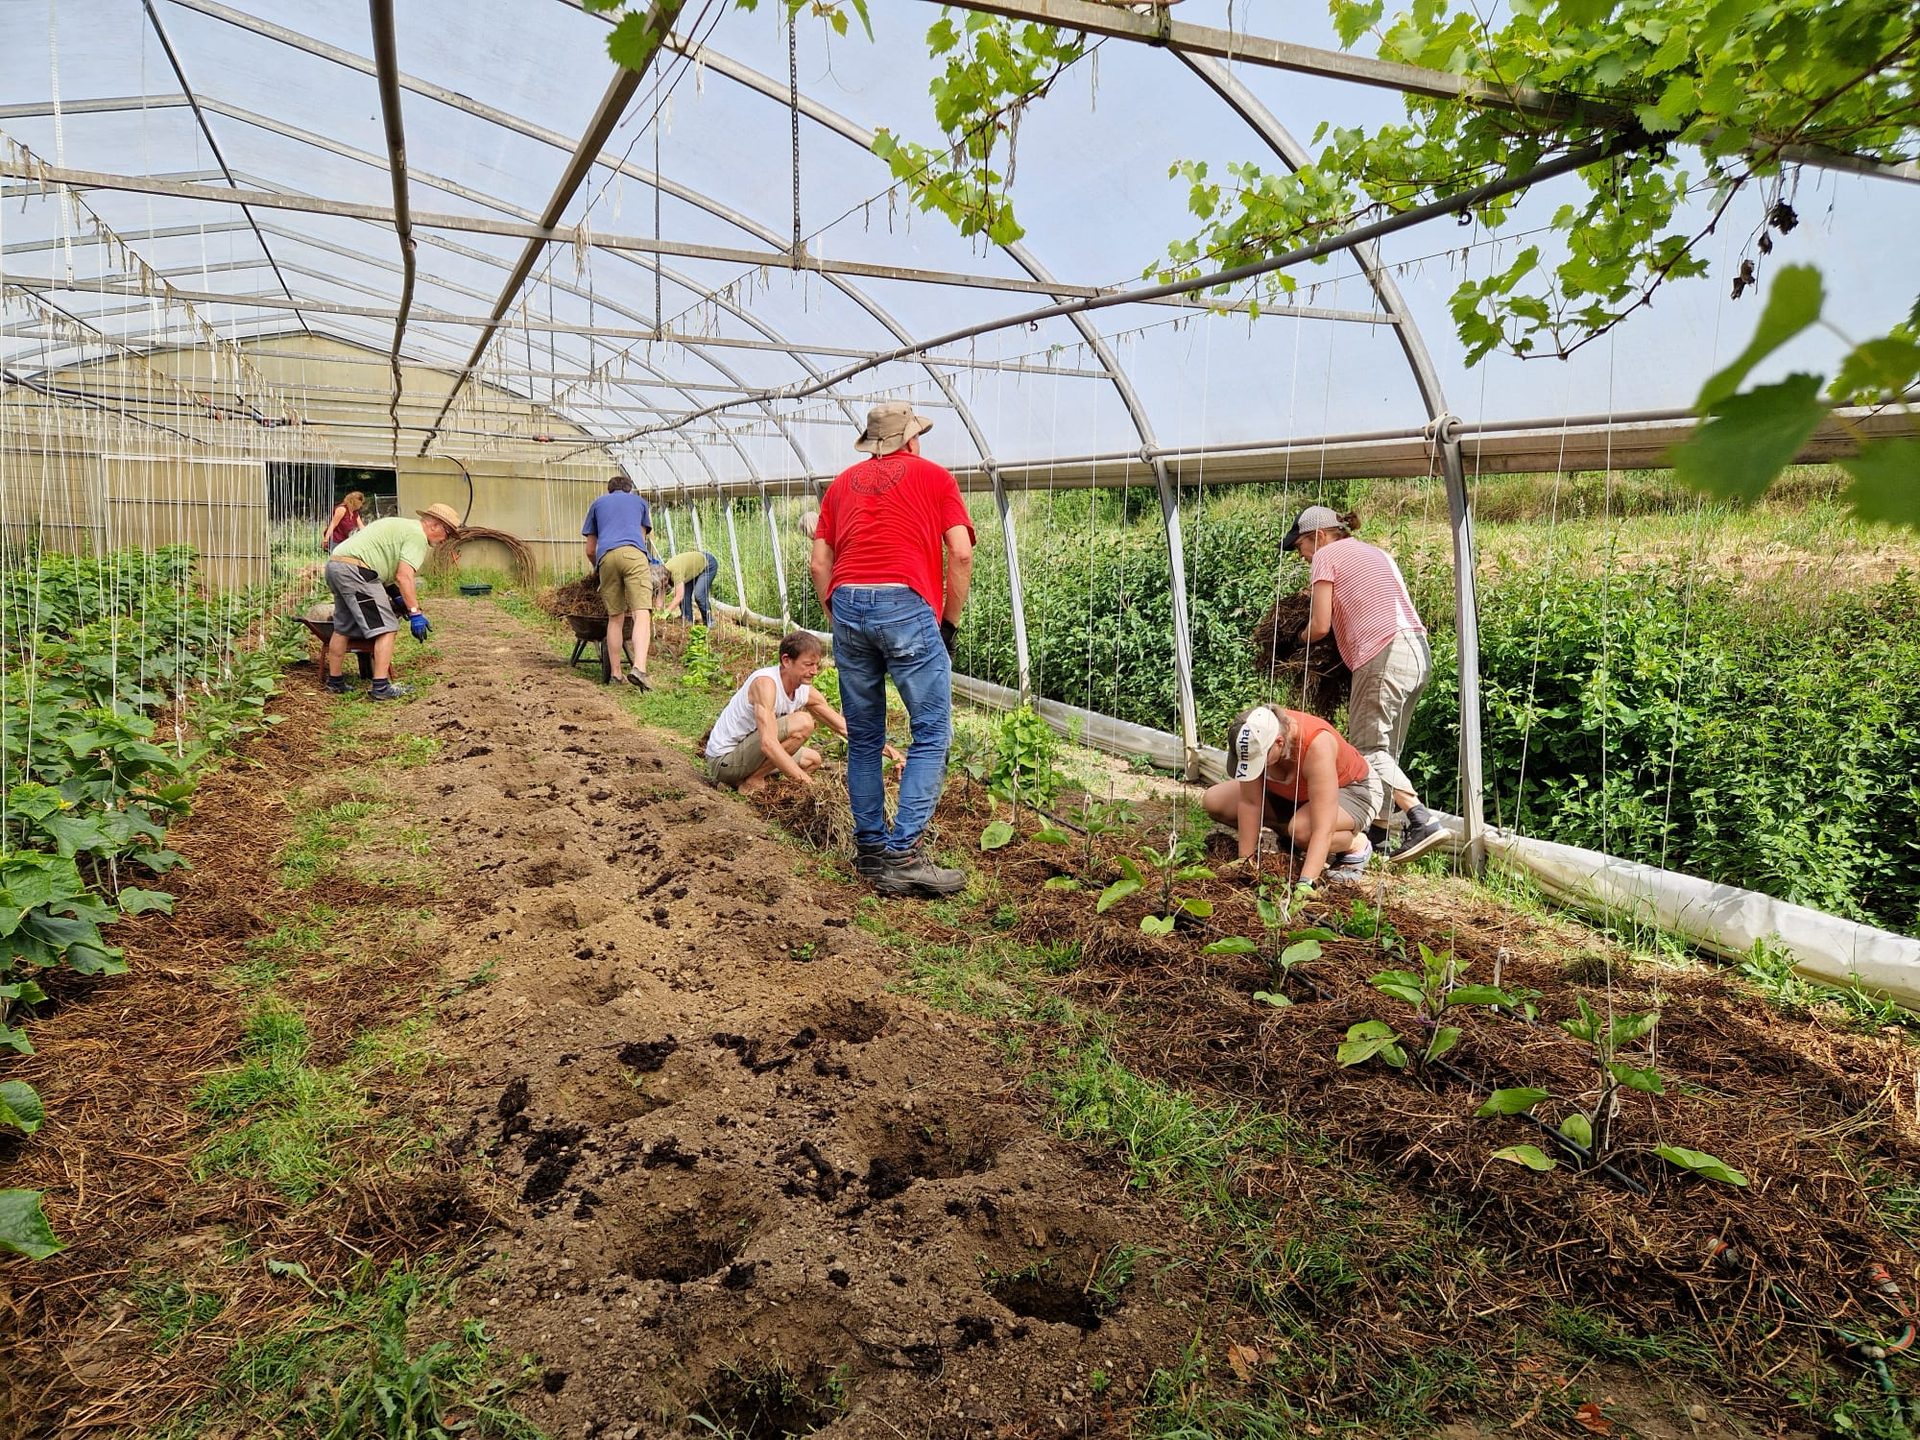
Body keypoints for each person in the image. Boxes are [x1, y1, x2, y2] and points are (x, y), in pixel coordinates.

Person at [810, 400, 974, 898]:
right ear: (912, 439)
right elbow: (961, 552)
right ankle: (902, 856)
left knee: (863, 736)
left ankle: (871, 851)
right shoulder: (934, 477)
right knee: (930, 733)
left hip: (848, 601)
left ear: (872, 444)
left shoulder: (840, 485)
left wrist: (836, 616)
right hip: (905, 601)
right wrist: (947, 623)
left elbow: (820, 563)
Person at [1283, 503, 1447, 863]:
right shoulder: (1376, 552)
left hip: (1382, 653)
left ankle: (1421, 819)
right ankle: (1382, 829)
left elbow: (1321, 624)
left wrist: (1297, 638)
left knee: (1366, 749)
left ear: (1320, 536)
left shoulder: (1327, 556)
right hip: (1416, 652)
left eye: (1301, 547)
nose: (1303, 557)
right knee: (1387, 749)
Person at [1202, 704, 1384, 887]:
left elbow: (1323, 827)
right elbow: (1250, 803)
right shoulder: (1254, 734)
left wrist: (1306, 883)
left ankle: (1357, 844)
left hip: (1353, 790)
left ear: (1279, 743)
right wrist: (1245, 863)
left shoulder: (1316, 745)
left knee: (1303, 831)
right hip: (1299, 795)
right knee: (1215, 801)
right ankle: (1291, 832)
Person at [705, 631, 902, 793]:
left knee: (812, 760)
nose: (815, 671)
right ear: (786, 660)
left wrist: (890, 752)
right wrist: (811, 786)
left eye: (817, 665)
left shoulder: (804, 691)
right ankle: (751, 780)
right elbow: (768, 743)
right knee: (804, 722)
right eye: (808, 665)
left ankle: (743, 782)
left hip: (747, 756)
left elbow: (844, 728)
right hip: (724, 761)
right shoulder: (766, 684)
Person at [324, 502, 460, 700]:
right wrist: (415, 613)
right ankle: (380, 687)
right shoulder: (417, 536)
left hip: (336, 565)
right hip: (357, 571)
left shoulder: (402, 526)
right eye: (447, 533)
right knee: (387, 627)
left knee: (343, 626)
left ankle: (335, 681)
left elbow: (384, 564)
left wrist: (397, 596)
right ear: (435, 526)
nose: (445, 539)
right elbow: (404, 576)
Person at [581, 474, 660, 690]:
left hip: (606, 556)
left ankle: (616, 674)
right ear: (629, 489)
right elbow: (641, 539)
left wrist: (599, 568)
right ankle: (639, 668)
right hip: (634, 555)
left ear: (609, 490)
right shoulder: (640, 503)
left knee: (614, 618)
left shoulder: (597, 504)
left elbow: (590, 549)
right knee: (641, 613)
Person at [659, 549, 716, 625]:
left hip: (707, 563)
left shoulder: (675, 573)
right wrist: (658, 611)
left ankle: (709, 622)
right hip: (693, 567)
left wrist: (666, 612)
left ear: (666, 579)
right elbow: (660, 594)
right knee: (685, 595)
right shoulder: (662, 573)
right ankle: (687, 621)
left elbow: (679, 596)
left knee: (699, 595)